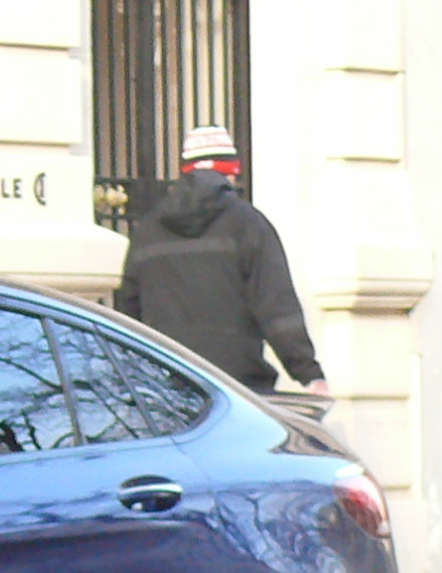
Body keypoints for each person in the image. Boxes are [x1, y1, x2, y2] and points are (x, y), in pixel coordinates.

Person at [114, 125, 325, 395]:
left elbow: (128, 314)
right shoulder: (249, 224)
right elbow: (276, 305)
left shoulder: (147, 231)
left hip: (166, 386)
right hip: (237, 387)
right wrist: (309, 373)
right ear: (231, 173)